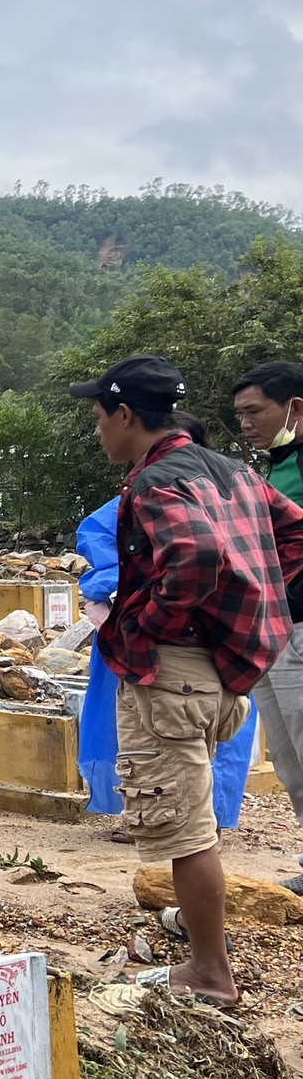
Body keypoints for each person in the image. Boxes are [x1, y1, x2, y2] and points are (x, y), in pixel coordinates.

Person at [70, 355, 303, 1005]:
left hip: (174, 672)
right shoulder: (232, 470)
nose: (97, 433)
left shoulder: (153, 484)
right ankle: (206, 944)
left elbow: (194, 556)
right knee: (192, 816)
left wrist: (146, 622)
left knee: (185, 831)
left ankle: (210, 973)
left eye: (98, 419)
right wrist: (253, 599)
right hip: (223, 676)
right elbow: (294, 531)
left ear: (125, 415)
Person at [74, 419, 260, 835]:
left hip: (165, 643)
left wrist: (150, 617)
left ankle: (172, 825)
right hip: (222, 640)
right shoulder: (239, 489)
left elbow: (186, 561)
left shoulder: (154, 490)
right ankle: (186, 818)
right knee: (203, 737)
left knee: (158, 735)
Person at [230, 361, 303, 891]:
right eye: (240, 415)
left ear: (295, 408)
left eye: (255, 411)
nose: (247, 424)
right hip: (273, 628)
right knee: (289, 757)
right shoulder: (275, 468)